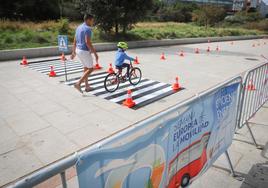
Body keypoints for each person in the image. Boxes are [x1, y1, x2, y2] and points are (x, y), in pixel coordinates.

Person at [71, 14, 98, 93]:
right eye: (92, 20)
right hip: (84, 51)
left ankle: (87, 86)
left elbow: (75, 41)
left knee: (86, 67)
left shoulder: (79, 27)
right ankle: (78, 84)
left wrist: (73, 52)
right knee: (91, 68)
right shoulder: (88, 29)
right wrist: (95, 53)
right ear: (88, 20)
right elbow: (88, 42)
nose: (93, 22)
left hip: (78, 50)